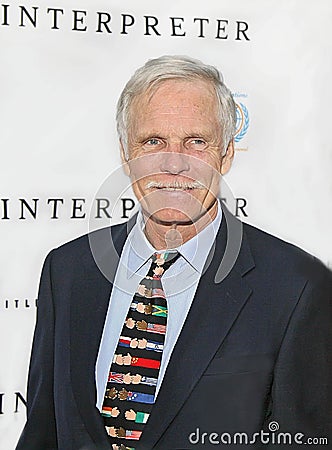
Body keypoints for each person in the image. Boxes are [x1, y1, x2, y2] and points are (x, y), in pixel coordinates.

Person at [16, 55, 332, 450]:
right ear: (125, 153)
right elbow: (42, 434)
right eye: (153, 142)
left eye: (196, 142)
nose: (173, 164)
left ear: (227, 154)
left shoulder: (296, 288)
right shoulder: (67, 272)